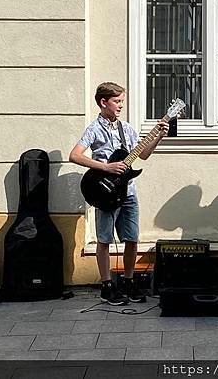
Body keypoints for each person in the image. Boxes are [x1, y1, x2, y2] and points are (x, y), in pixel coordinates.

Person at [69, 82, 169, 305]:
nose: (120, 105)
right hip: (105, 190)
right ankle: (106, 285)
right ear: (103, 102)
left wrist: (159, 136)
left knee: (132, 238)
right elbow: (74, 156)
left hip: (128, 192)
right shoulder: (94, 129)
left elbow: (142, 156)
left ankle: (129, 281)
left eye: (122, 101)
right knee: (104, 239)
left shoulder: (128, 128)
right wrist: (106, 167)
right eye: (117, 101)